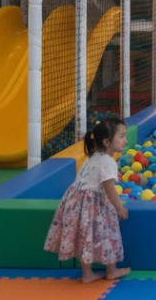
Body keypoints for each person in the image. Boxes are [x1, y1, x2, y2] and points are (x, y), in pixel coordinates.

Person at [44, 117, 131, 283]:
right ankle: (111, 271)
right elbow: (109, 187)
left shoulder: (93, 157)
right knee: (108, 234)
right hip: (93, 204)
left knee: (86, 237)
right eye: (121, 136)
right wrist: (119, 207)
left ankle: (87, 274)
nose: (125, 140)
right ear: (107, 141)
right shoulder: (108, 162)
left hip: (76, 202)